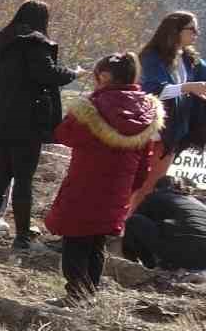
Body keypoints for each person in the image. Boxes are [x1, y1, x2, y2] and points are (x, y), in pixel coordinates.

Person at [43, 52, 162, 301]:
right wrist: (131, 188)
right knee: (97, 241)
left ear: (104, 76)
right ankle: (89, 293)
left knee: (75, 239)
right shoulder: (147, 111)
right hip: (118, 189)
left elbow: (64, 135)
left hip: (84, 184)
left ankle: (75, 293)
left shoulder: (91, 108)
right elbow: (145, 162)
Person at [0, 0, 82, 250]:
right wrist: (73, 73)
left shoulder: (3, 42)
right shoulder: (36, 43)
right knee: (23, 178)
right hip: (27, 118)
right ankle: (22, 236)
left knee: (1, 175)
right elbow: (46, 74)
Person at [132, 12, 206, 211]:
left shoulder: (190, 60)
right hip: (148, 132)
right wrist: (187, 87)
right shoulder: (151, 57)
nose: (196, 34)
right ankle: (117, 228)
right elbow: (152, 89)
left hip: (172, 133)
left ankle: (129, 228)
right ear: (175, 31)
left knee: (150, 186)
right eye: (192, 29)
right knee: (134, 185)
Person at [124, 176, 206, 271]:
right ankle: (170, 265)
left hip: (182, 249)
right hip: (202, 261)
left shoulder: (156, 196)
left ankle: (148, 266)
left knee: (134, 221)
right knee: (175, 232)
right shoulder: (196, 202)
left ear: (156, 189)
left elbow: (136, 225)